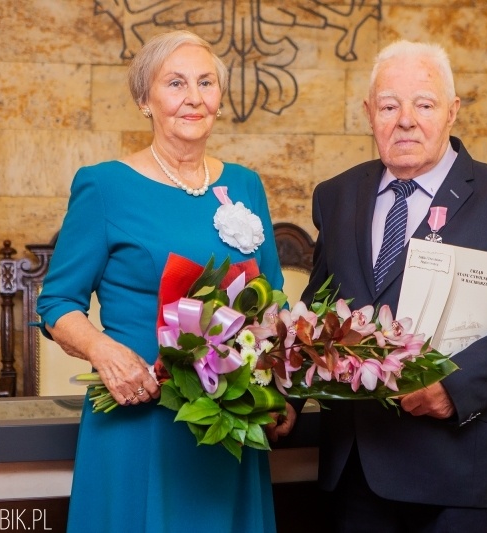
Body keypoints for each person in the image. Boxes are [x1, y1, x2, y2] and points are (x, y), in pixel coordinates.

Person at [298, 40, 487, 532]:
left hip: (461, 478)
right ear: (369, 114)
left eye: (423, 104)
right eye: (388, 106)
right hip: (356, 475)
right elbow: (317, 309)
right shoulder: (336, 195)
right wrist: (286, 403)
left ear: (451, 112)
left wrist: (453, 388)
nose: (405, 120)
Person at [36, 30, 294, 532]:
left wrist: (279, 387)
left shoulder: (245, 184)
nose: (194, 97)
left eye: (206, 83)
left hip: (231, 423)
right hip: (140, 416)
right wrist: (105, 352)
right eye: (176, 83)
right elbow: (57, 303)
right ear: (144, 100)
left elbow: (273, 304)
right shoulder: (104, 185)